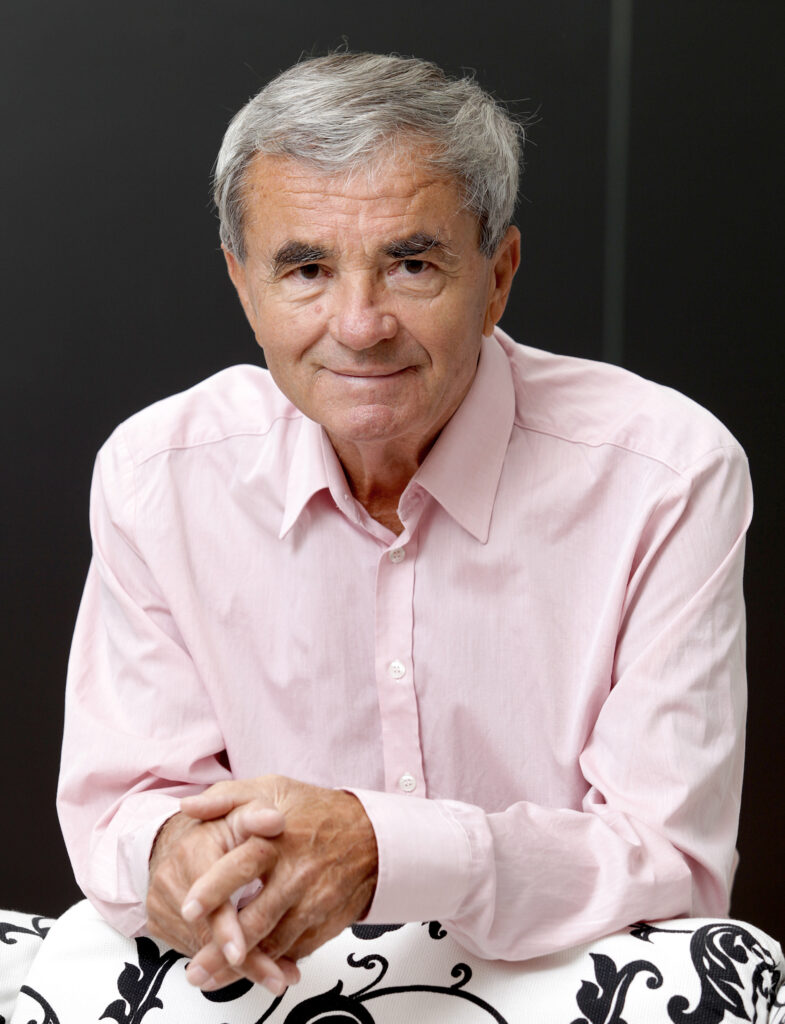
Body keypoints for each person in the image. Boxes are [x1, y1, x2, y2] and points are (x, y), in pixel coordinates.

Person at [57, 52, 751, 1000]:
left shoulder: (665, 474)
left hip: (552, 990)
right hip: (270, 982)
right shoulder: (155, 476)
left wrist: (384, 851)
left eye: (411, 264)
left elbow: (670, 864)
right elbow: (122, 812)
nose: (359, 324)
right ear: (241, 285)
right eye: (306, 269)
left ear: (497, 276)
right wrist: (174, 854)